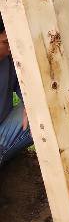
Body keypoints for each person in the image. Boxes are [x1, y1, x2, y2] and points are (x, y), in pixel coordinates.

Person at [0, 14, 32, 166]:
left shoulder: (7, 60)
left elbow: (25, 86)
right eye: (5, 43)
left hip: (4, 130)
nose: (10, 48)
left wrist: (30, 102)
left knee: (41, 111)